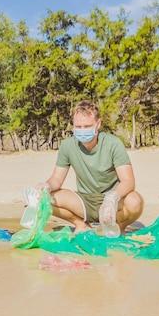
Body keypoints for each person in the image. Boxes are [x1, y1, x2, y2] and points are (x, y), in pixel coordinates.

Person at [38, 100, 144, 234]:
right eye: (78, 126)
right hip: (84, 200)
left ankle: (118, 226)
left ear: (98, 124)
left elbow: (128, 181)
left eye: (87, 126)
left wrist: (112, 198)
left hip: (113, 200)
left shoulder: (113, 144)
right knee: (44, 199)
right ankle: (80, 224)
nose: (82, 130)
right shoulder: (67, 146)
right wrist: (45, 186)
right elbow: (56, 179)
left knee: (135, 201)